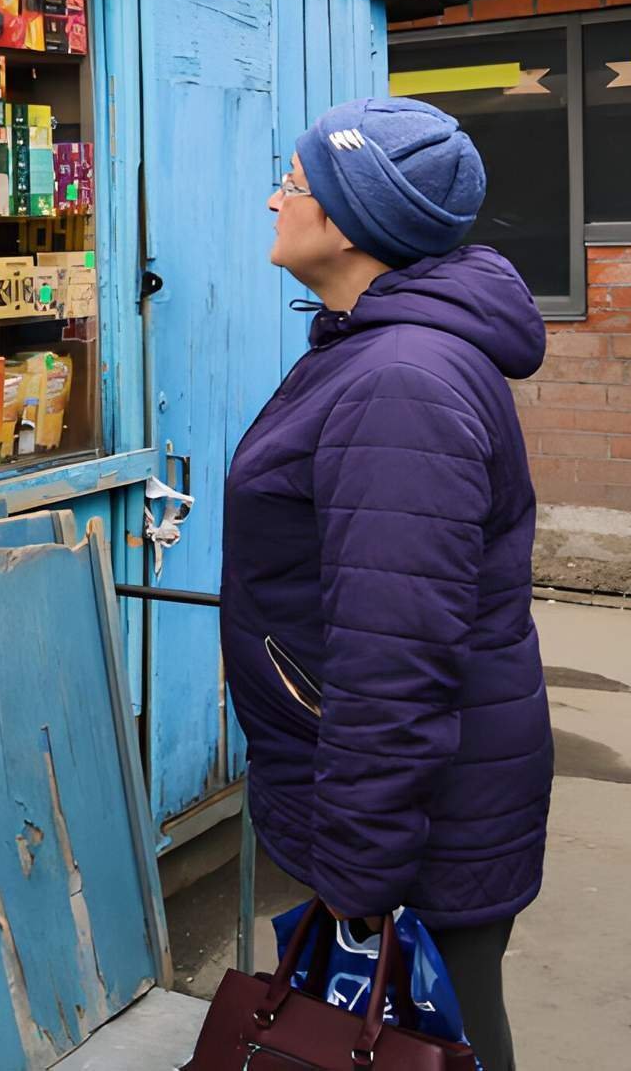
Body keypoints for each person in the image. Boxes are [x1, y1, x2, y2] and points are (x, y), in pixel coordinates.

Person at [221, 96, 550, 1071]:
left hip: (417, 822)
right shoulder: (372, 348)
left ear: (353, 218)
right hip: (415, 803)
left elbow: (393, 650)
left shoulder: (401, 380)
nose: (276, 198)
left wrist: (359, 868)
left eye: (295, 180)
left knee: (430, 1041)